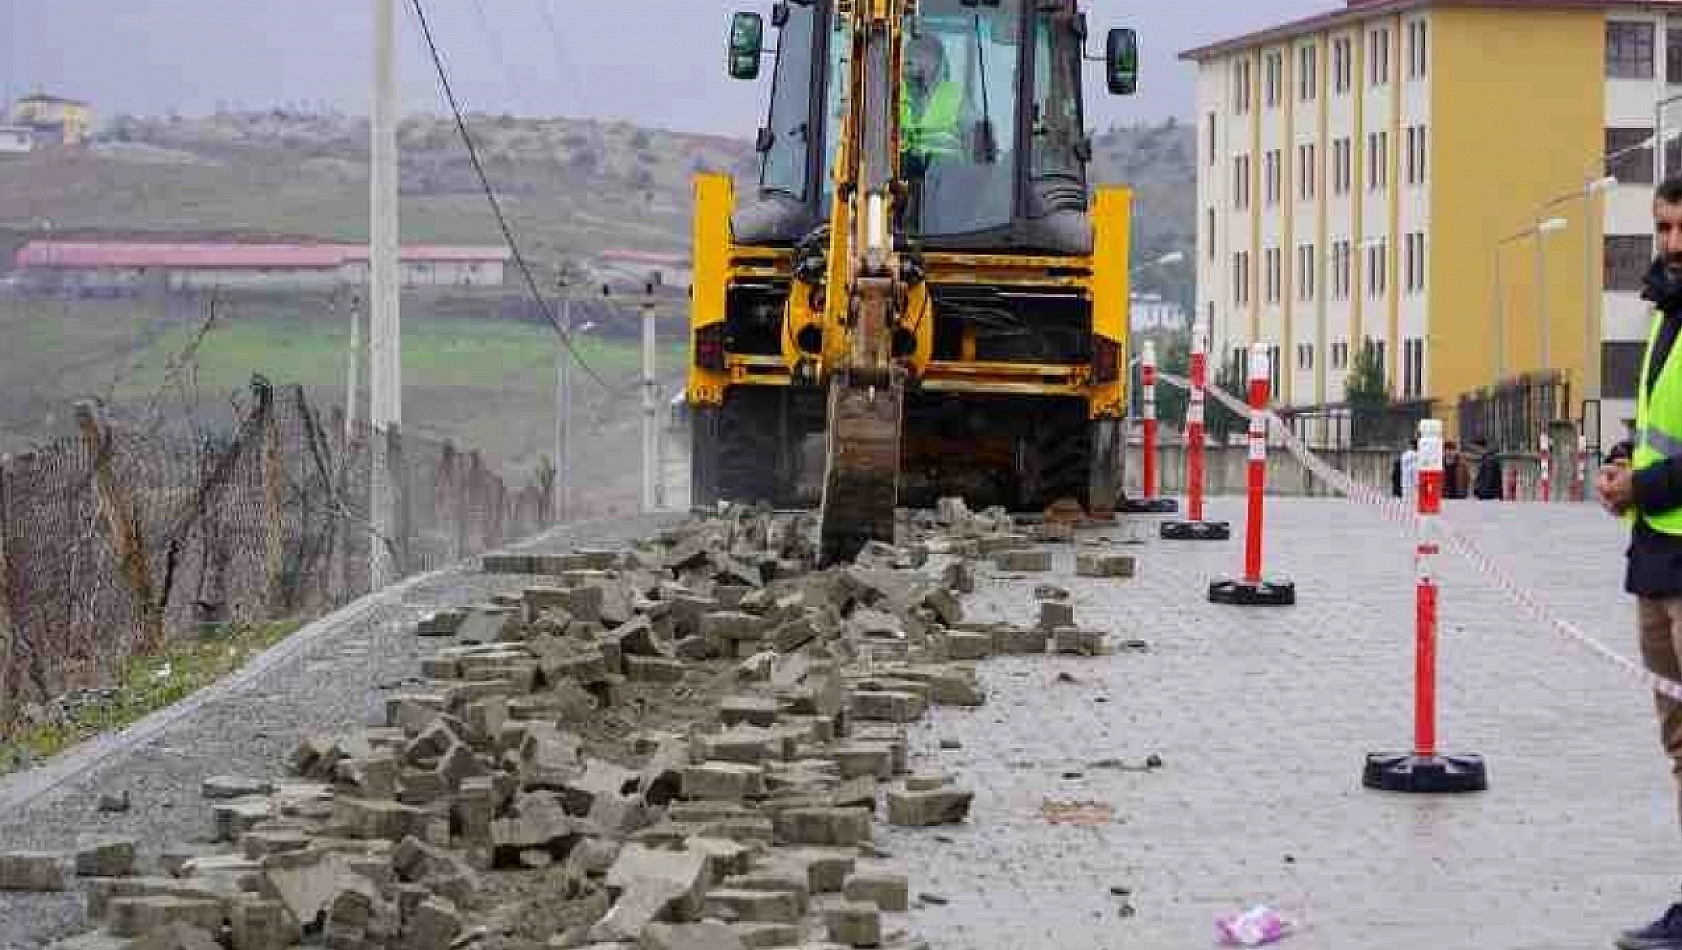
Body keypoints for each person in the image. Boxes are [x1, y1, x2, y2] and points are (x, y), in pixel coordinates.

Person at [1599, 177, 1682, 950]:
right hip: (1658, 559)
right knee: (1680, 742)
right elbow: (1660, 426)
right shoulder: (1665, 317)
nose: (1673, 245)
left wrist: (1640, 484)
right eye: (1663, 228)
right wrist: (1622, 463)